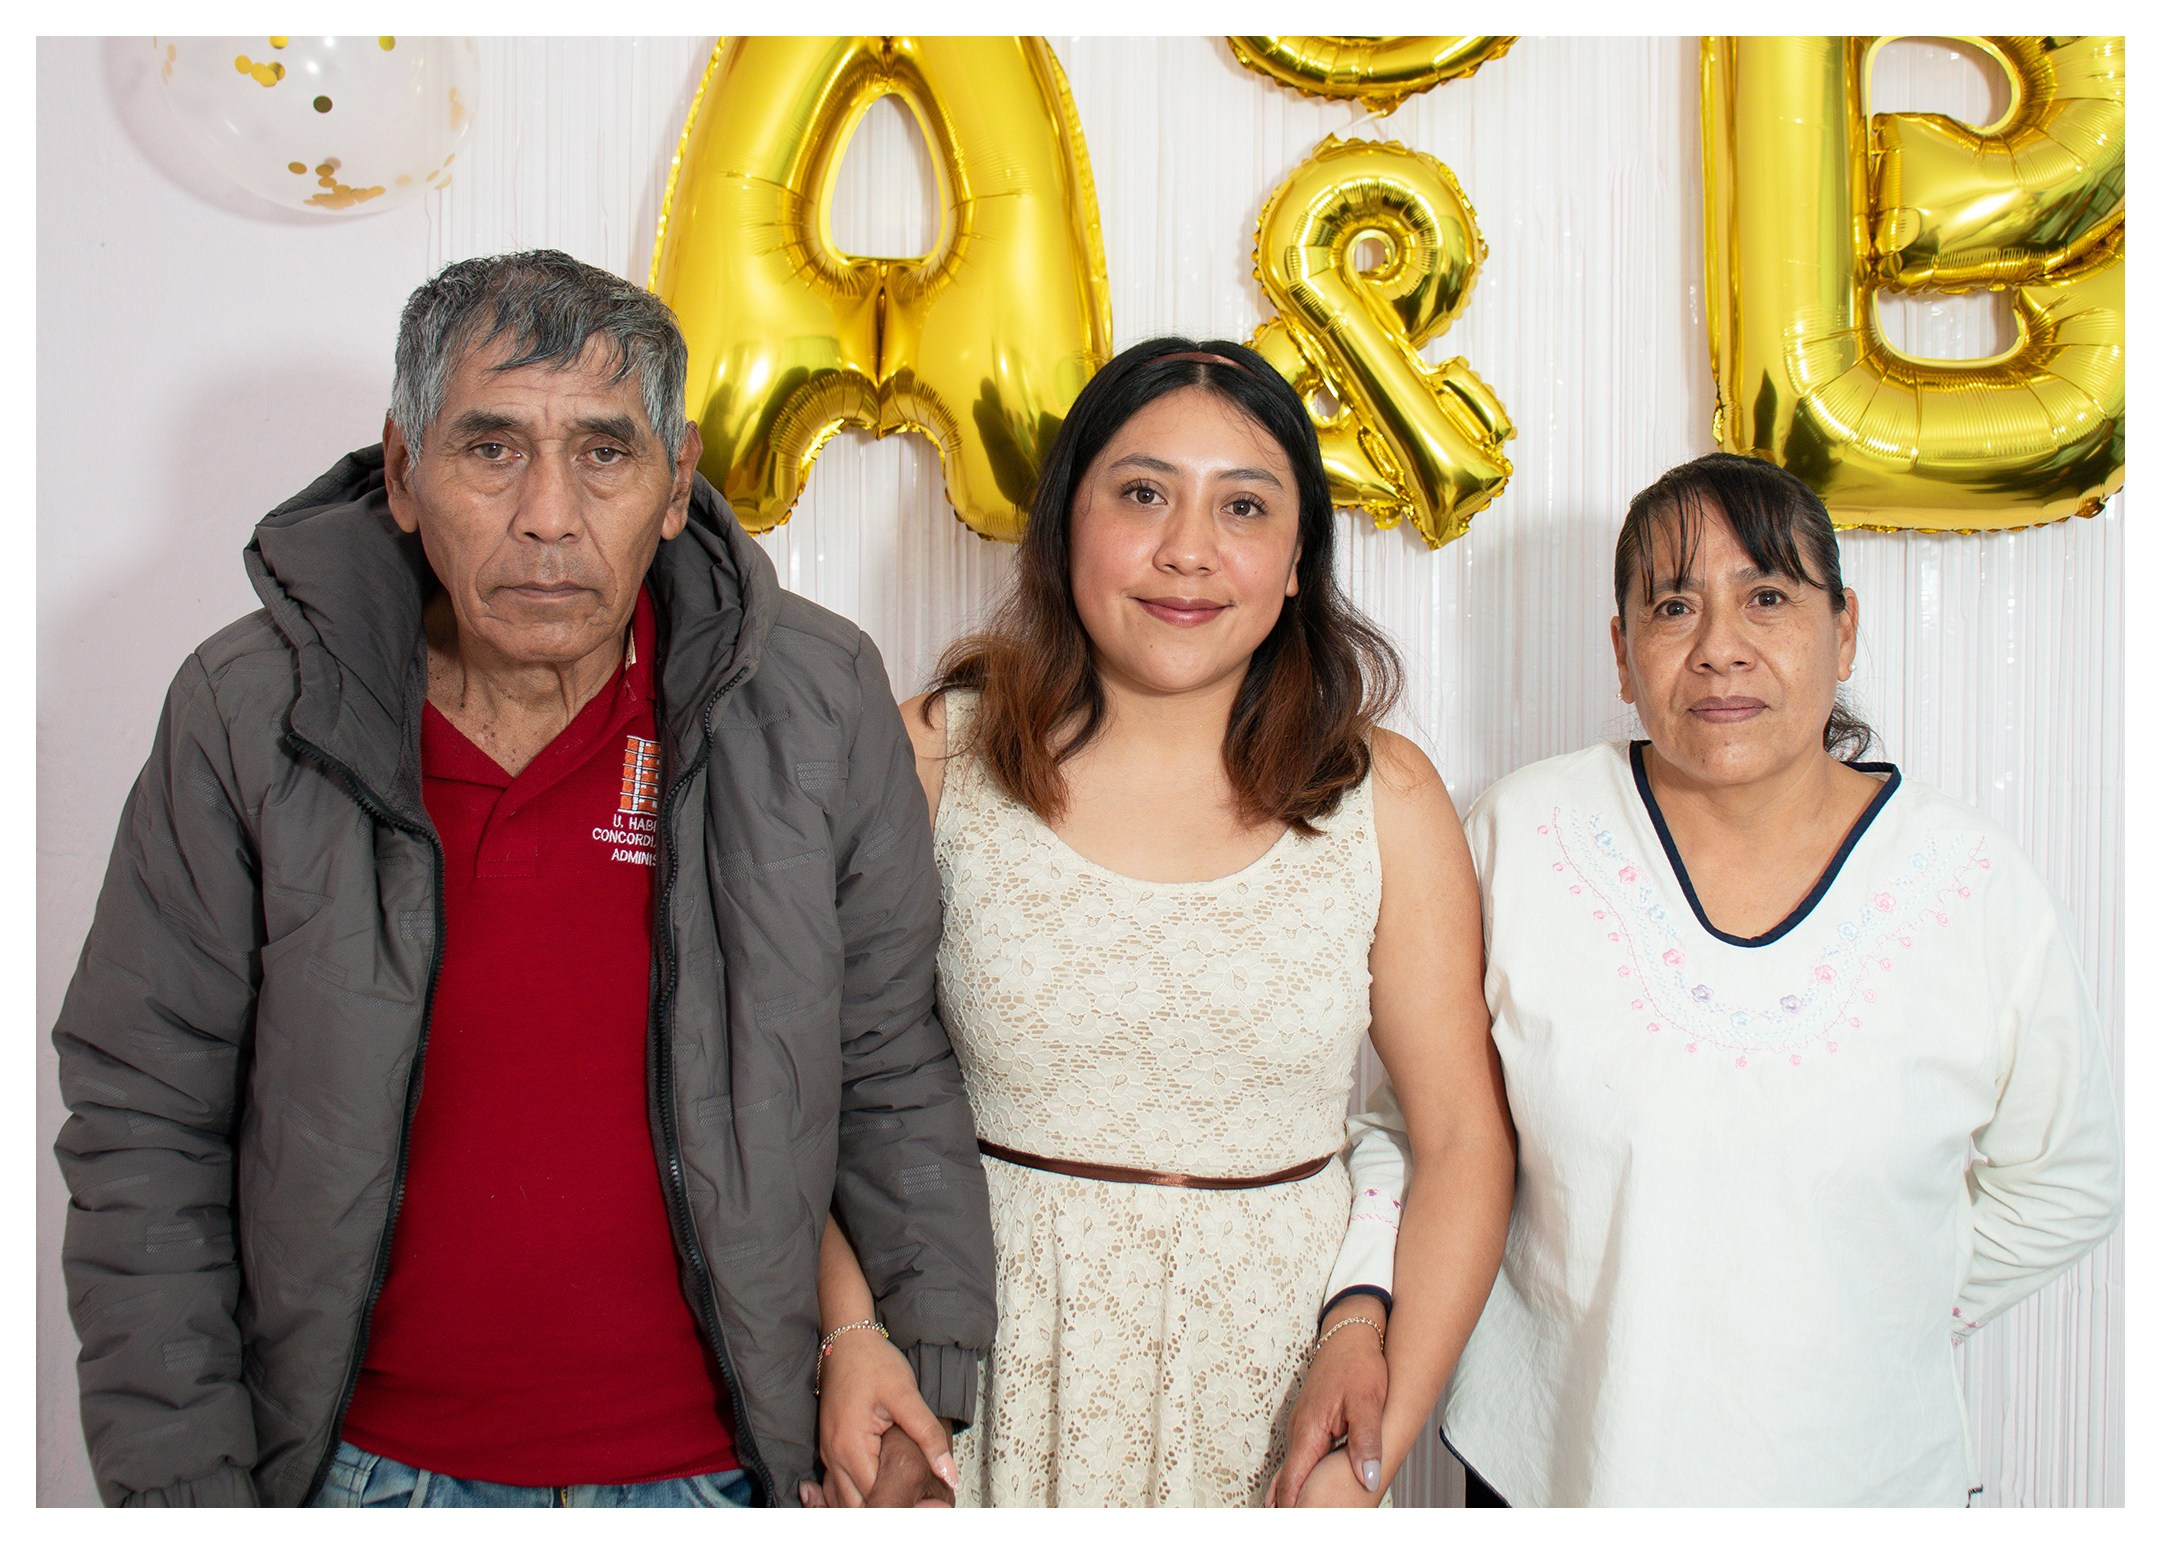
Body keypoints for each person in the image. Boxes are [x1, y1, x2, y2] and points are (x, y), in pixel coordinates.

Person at [51, 250, 995, 1507]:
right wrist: (181, 1490)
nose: (548, 514)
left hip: (729, 1474)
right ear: (401, 471)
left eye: (605, 452)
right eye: (491, 449)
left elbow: (886, 1061)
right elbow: (143, 1114)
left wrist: (917, 1382)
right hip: (353, 1476)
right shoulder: (251, 707)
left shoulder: (810, 697)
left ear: (677, 485)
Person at [1280, 451, 2124, 1506]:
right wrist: (1360, 1310)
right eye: (1674, 606)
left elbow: (2068, 1181)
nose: (1721, 650)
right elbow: (1416, 1131)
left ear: (1844, 629)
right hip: (1556, 1467)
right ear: (1623, 653)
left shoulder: (1974, 885)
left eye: (1767, 597)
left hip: (1868, 1482)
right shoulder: (1521, 835)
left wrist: (1873, 1301)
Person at [802, 337, 1516, 1507]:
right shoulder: (932, 754)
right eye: (1142, 494)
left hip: (1279, 1403)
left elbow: (1460, 1143)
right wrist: (849, 1341)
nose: (1188, 550)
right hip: (960, 1384)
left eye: (1244, 505)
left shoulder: (1382, 794)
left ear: (1297, 561)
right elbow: (809, 1097)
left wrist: (1375, 1430)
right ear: (1064, 525)